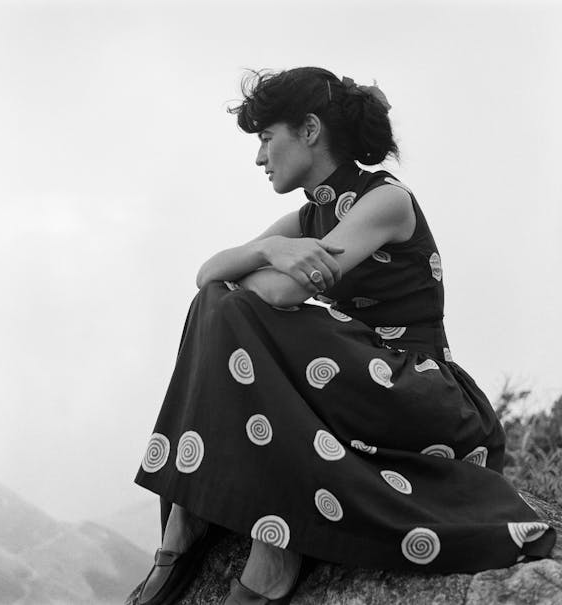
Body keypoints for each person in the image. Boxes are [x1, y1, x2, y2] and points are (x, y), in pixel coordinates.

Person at [125, 67, 556, 605]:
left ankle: (265, 544)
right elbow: (207, 275)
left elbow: (282, 293)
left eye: (266, 137)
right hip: (354, 379)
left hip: (417, 390)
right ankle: (190, 519)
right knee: (214, 301)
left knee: (235, 307)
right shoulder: (307, 219)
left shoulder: (385, 200)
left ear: (309, 130)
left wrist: (259, 270)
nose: (259, 158)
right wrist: (266, 250)